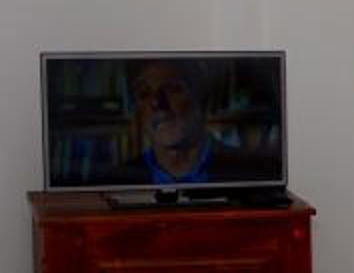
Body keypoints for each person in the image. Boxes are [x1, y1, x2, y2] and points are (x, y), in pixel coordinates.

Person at [94, 58, 272, 188]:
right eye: (144, 93)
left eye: (172, 89)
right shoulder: (112, 182)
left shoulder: (252, 174)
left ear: (202, 98)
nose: (156, 103)